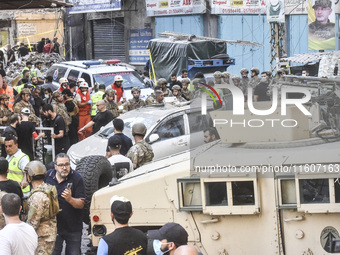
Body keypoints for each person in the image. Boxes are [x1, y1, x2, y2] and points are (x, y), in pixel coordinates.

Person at [45, 153, 85, 255]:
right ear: (55, 166)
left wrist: (70, 199)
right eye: (61, 165)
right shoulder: (48, 176)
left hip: (73, 227)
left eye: (67, 164)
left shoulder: (77, 178)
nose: (64, 168)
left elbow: (81, 204)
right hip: (54, 227)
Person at [26, 161, 57, 255]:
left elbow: (33, 223)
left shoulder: (37, 196)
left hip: (42, 238)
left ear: (29, 177)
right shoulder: (47, 188)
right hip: (48, 234)